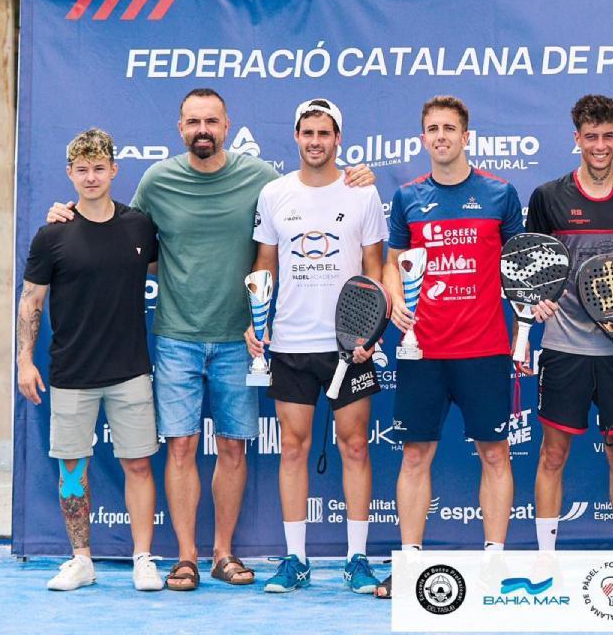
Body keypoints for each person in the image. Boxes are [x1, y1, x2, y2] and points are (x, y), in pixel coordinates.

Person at [45, 88, 374, 590]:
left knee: (233, 449)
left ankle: (223, 553)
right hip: (176, 336)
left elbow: (312, 193)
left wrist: (358, 175)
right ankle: (186, 558)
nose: (203, 129)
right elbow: (118, 231)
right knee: (180, 448)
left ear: (226, 126)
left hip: (241, 340)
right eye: (194, 121)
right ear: (180, 128)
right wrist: (67, 215)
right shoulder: (158, 180)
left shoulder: (262, 179)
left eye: (212, 121)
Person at [377, 95, 525, 598]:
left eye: (449, 128)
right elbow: (392, 262)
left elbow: (519, 266)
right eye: (433, 129)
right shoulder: (408, 198)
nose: (441, 136)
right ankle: (411, 562)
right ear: (423, 139)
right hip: (422, 350)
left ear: (466, 136)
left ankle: (495, 561)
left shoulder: (500, 194)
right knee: (415, 455)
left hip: (484, 348)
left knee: (495, 454)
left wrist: (526, 323)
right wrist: (395, 301)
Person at [244, 98, 387, 594]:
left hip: (350, 346)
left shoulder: (363, 193)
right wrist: (257, 319)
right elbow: (265, 263)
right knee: (293, 448)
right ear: (296, 136)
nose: (315, 141)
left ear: (338, 139)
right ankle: (296, 560)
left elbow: (375, 268)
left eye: (324, 133)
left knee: (355, 446)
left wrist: (370, 333)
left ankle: (357, 559)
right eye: (308, 132)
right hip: (290, 342)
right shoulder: (274, 193)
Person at [18, 128, 162, 592]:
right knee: (72, 468)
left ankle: (143, 558)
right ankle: (81, 560)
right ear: (70, 173)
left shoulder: (139, 226)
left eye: (99, 168)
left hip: (130, 370)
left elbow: (171, 267)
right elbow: (31, 300)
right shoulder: (52, 234)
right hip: (71, 372)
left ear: (114, 170)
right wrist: (24, 360)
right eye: (82, 169)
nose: (91, 177)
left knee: (138, 465)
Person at [524, 94, 613, 551]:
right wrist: (535, 306)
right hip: (564, 347)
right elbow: (533, 264)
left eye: (608, 136)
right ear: (576, 138)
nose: (600, 146)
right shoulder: (549, 197)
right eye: (591, 137)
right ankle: (545, 559)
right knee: (552, 454)